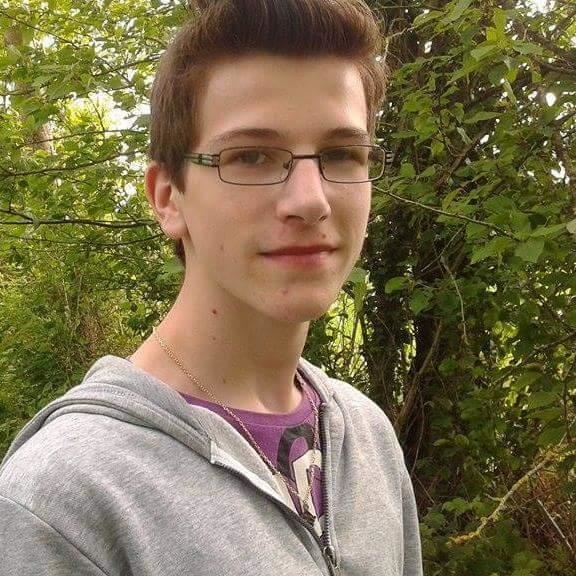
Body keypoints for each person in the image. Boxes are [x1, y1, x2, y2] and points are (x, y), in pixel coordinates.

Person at [0, 1, 423, 574]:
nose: (310, 201)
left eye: (341, 154)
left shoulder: (368, 437)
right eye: (251, 156)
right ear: (167, 198)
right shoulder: (63, 502)